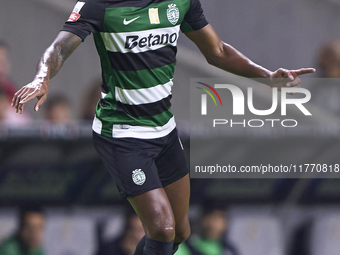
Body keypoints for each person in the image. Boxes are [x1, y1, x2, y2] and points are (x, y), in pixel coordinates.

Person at [11, 0, 315, 254]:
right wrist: (42, 76)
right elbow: (60, 47)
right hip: (122, 134)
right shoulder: (100, 4)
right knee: (162, 228)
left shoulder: (180, 1)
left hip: (164, 131)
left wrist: (266, 76)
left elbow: (217, 51)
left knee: (180, 231)